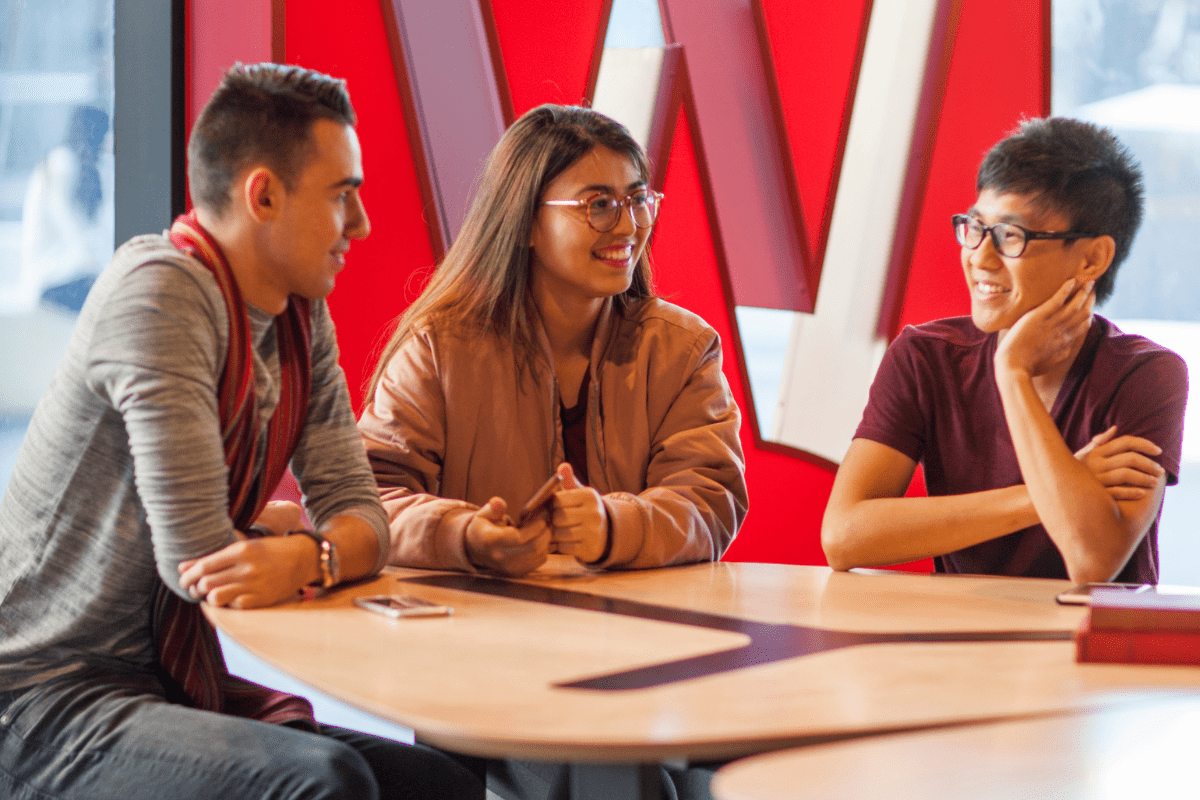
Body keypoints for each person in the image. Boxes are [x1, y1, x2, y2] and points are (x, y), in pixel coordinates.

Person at [0, 64, 482, 800]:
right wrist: (291, 539)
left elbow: (364, 517)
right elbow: (199, 559)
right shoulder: (158, 292)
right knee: (327, 783)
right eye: (342, 196)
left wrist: (300, 552)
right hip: (42, 694)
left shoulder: (297, 315)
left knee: (436, 782)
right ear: (263, 194)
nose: (361, 225)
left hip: (156, 679)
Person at [358, 103, 747, 578]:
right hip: (476, 632)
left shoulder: (682, 349)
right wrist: (463, 535)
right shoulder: (438, 348)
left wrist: (614, 526)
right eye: (598, 205)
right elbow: (368, 497)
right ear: (524, 223)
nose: (627, 227)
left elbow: (710, 498)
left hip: (634, 630)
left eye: (638, 200)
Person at [822, 117, 1187, 586]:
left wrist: (1012, 372)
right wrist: (1053, 490)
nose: (979, 256)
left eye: (1011, 236)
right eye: (975, 227)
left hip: (1091, 648)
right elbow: (844, 536)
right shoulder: (925, 356)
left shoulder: (1147, 374)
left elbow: (1093, 563)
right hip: (957, 641)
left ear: (1092, 258)